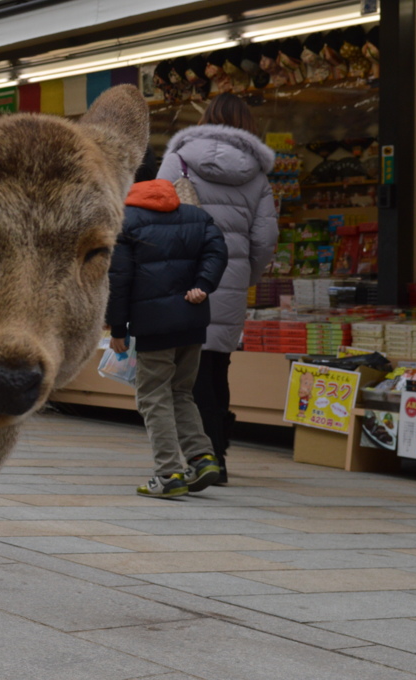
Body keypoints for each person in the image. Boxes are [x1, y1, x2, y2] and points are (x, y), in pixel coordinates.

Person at [157, 93, 278, 484]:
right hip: (229, 278)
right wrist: (246, 276)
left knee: (186, 373)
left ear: (206, 120)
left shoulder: (179, 160)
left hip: (184, 277)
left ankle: (200, 456)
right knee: (217, 367)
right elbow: (265, 237)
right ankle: (218, 456)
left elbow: (156, 212)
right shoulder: (257, 175)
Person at [106, 149, 228, 499]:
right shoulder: (194, 215)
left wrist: (117, 329)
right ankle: (202, 457)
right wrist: (202, 287)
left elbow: (119, 280)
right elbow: (217, 252)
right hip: (192, 321)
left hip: (153, 326)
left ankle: (169, 473)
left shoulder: (124, 222)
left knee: (153, 396)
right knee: (181, 392)